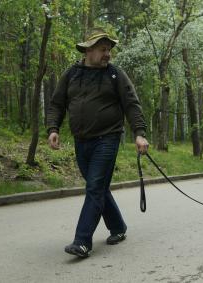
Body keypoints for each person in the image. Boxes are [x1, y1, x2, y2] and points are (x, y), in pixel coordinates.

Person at [46, 28, 149, 258]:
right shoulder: (71, 74)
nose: (108, 54)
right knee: (99, 187)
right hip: (82, 142)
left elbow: (132, 104)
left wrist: (139, 133)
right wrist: (53, 128)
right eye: (103, 49)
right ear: (89, 50)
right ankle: (118, 228)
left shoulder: (115, 75)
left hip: (108, 138)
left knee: (94, 187)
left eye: (109, 50)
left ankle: (82, 241)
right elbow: (56, 103)